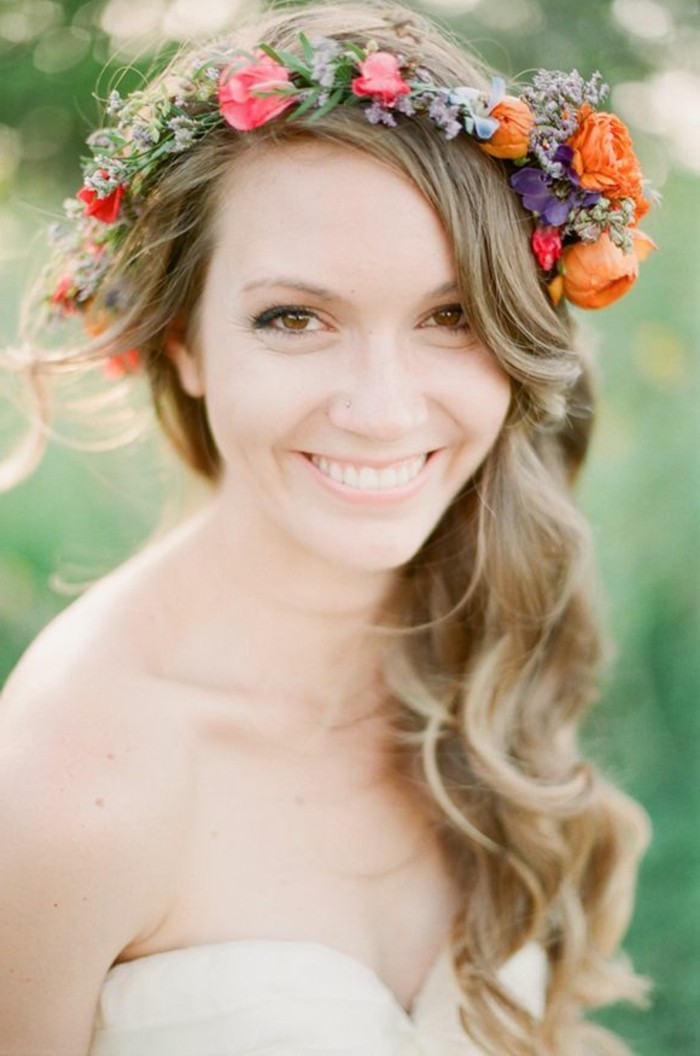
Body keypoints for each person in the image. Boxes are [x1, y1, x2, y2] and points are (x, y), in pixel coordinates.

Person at [0, 2, 655, 1053]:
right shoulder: (73, 784)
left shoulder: (478, 626)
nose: (385, 409)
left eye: (449, 317)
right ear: (186, 344)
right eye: (294, 319)